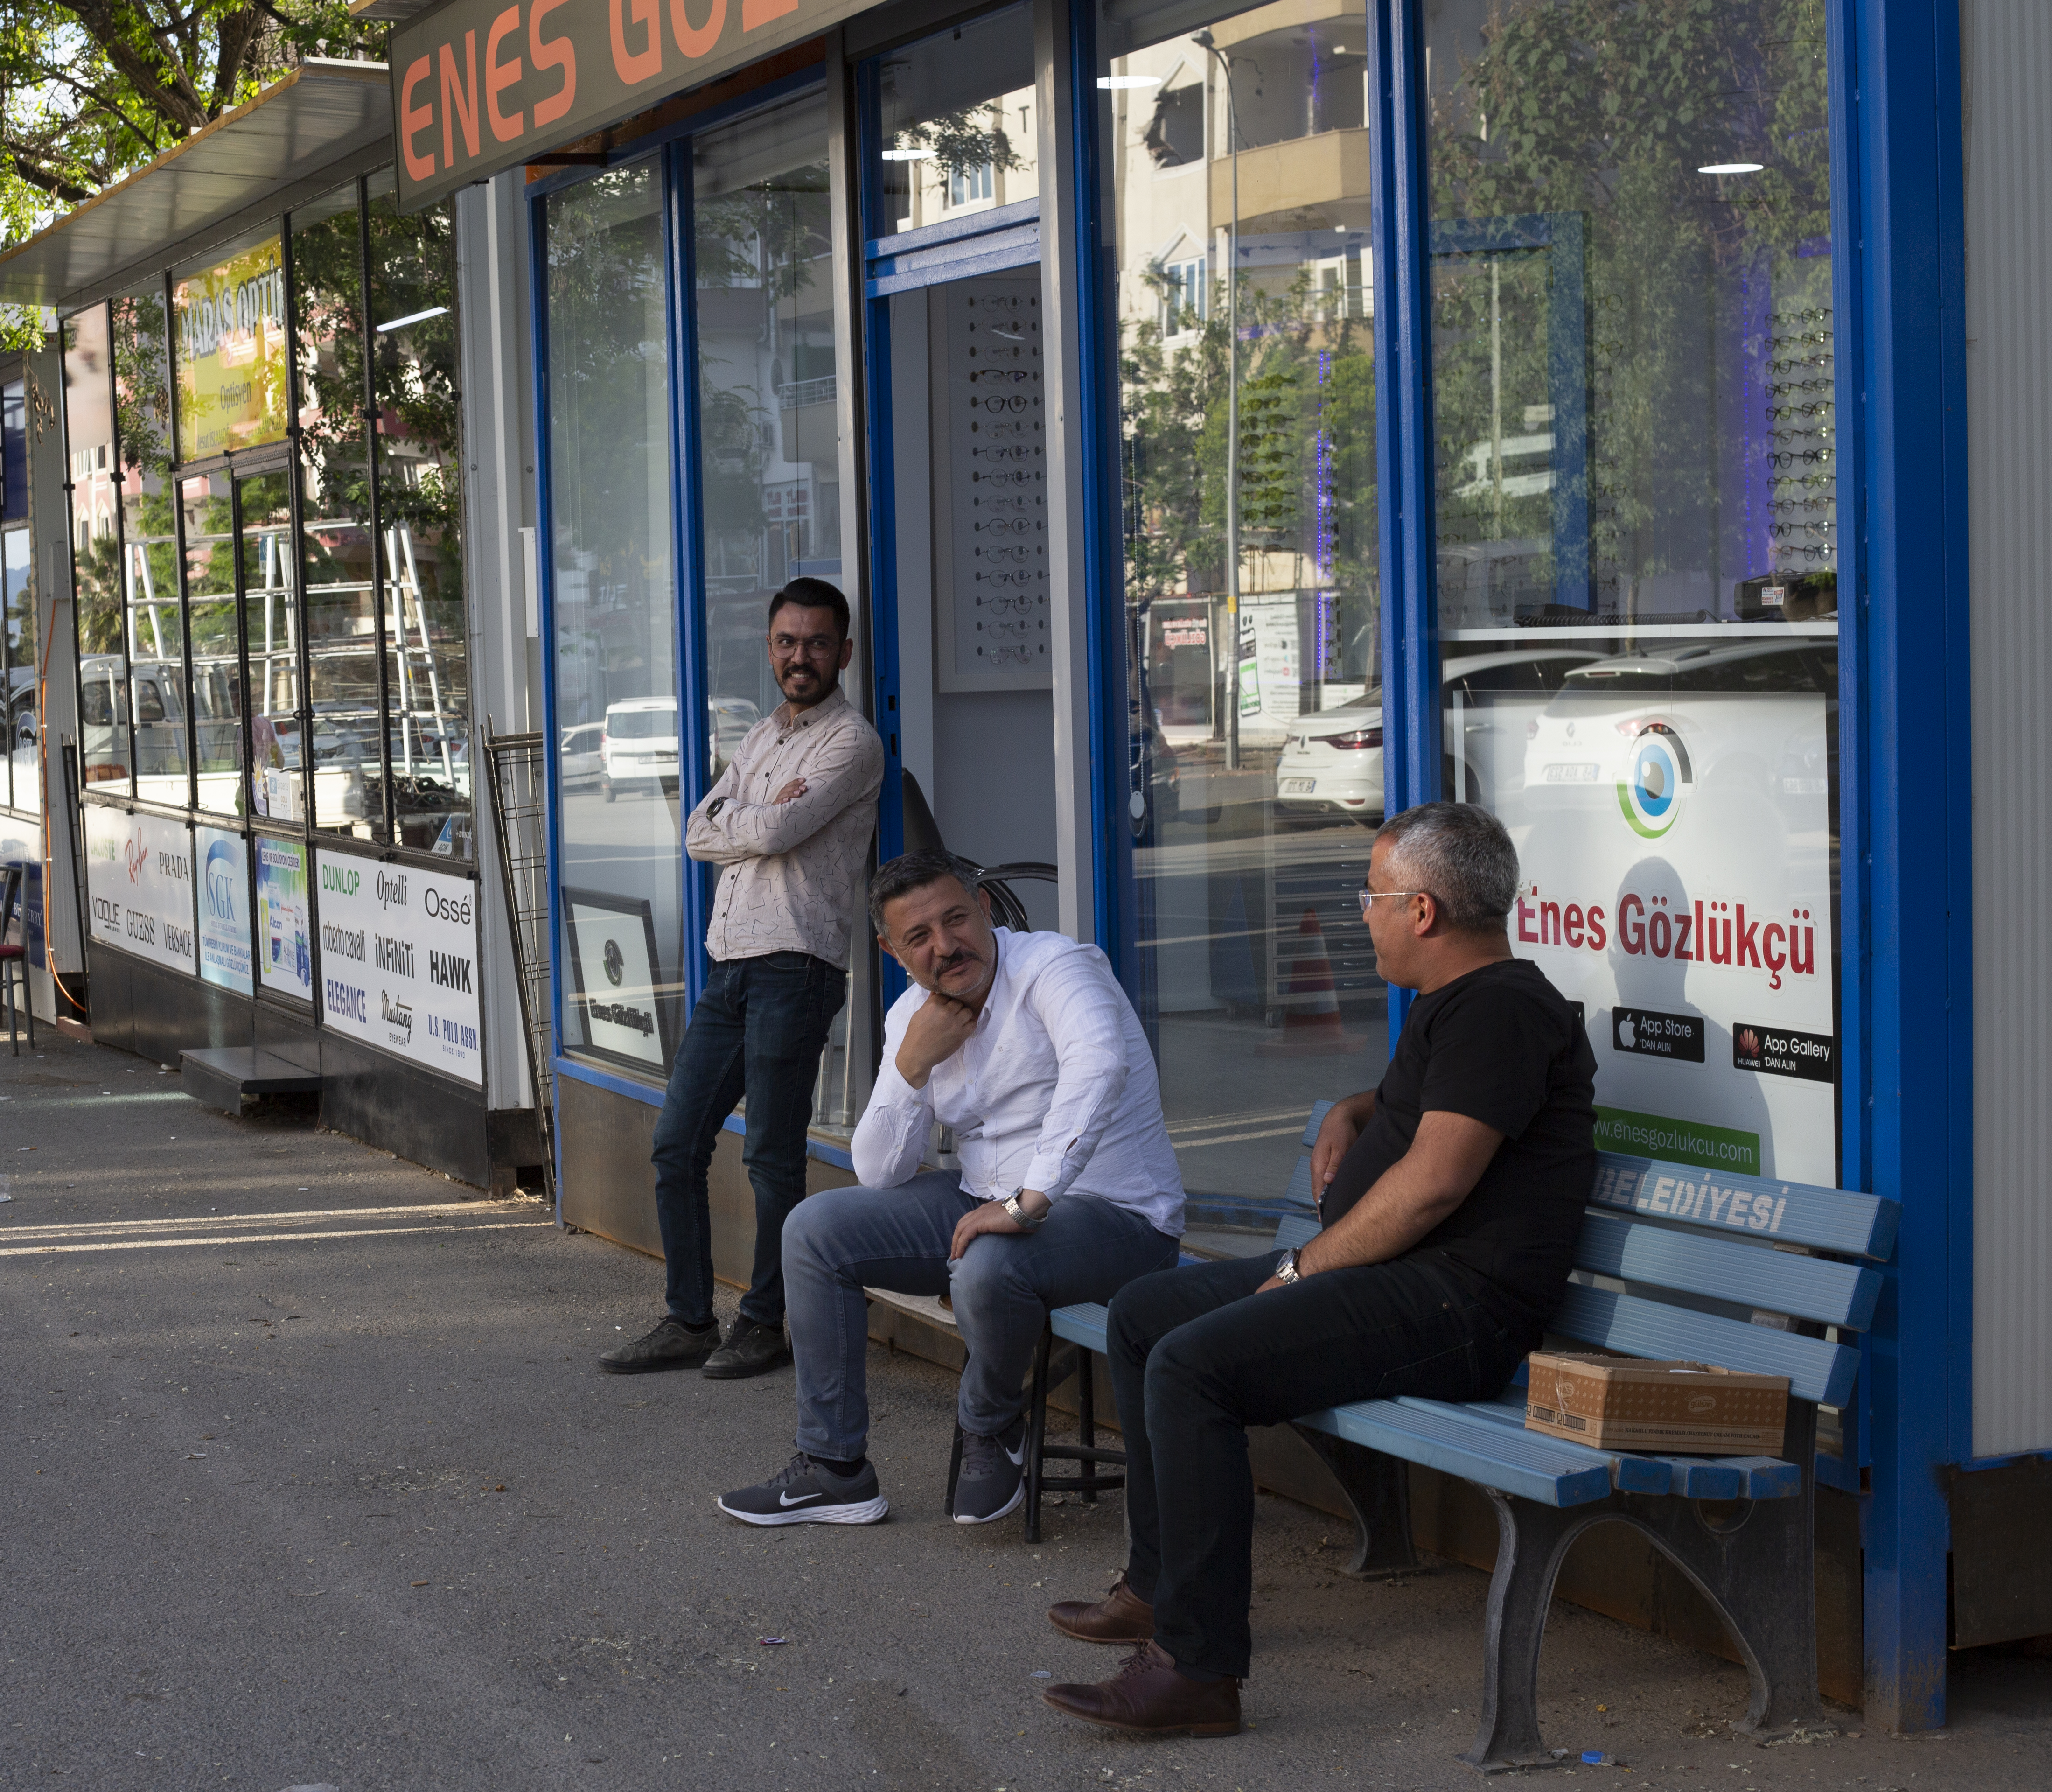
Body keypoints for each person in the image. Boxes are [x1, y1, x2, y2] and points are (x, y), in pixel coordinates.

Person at [1037, 801, 1596, 1741]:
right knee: (1143, 1315)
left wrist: (1300, 1270)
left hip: (1455, 1305)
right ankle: (1158, 1586)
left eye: (1372, 896)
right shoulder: (1462, 1004)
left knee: (1194, 1367)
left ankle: (1197, 1670)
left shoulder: (1502, 1009)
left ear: (1423, 911)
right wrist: (1352, 1109)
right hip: (1400, 1281)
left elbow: (1433, 1185)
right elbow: (1431, 1105)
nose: (1362, 915)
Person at [715, 849, 1187, 1527]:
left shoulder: (1057, 967)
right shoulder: (914, 1014)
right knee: (813, 1231)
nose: (946, 945)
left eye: (956, 919)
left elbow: (1099, 1065)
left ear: (985, 909)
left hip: (1119, 1218)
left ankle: (990, 1425)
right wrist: (910, 1064)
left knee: (989, 1264)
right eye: (919, 936)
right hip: (980, 1200)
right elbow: (880, 1172)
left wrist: (1028, 1201)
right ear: (891, 950)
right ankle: (836, 1470)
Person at [600, 578, 885, 1382]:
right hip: (729, 966)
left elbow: (784, 826)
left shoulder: (851, 742)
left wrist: (747, 818)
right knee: (676, 1143)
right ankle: (690, 1319)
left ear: (844, 653)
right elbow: (697, 831)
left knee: (771, 1156)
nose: (801, 657)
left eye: (818, 643)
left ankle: (765, 1323)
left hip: (796, 967)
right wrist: (753, 819)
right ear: (770, 648)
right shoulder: (762, 737)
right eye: (788, 642)